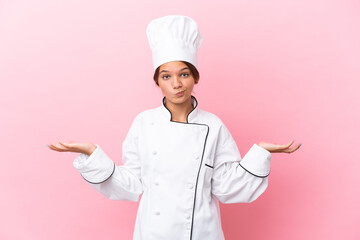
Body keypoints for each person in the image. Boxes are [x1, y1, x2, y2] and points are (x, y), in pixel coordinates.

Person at [48, 15, 301, 240]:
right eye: (166, 76)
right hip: (152, 232)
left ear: (195, 77)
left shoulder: (213, 125)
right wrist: (93, 154)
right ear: (157, 81)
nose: (177, 84)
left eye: (184, 74)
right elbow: (131, 183)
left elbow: (225, 186)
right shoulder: (144, 123)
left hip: (202, 231)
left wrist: (259, 153)